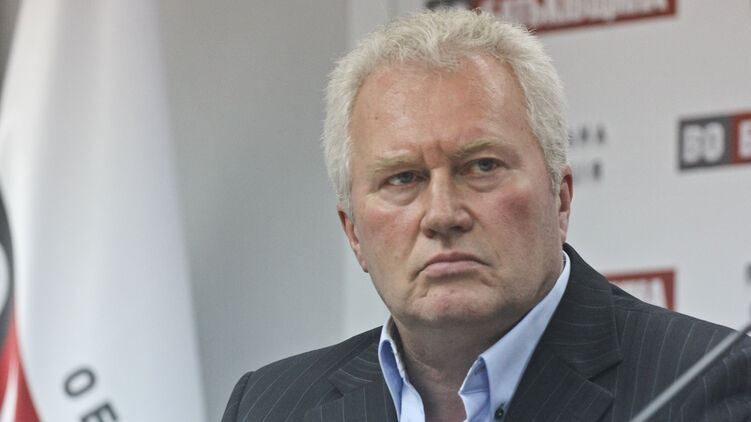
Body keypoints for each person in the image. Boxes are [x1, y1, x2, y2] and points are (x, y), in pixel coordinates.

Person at [221, 9, 751, 422]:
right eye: (403, 178)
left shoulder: (707, 383)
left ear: (560, 199)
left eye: (482, 166)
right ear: (353, 232)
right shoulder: (270, 405)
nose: (442, 215)